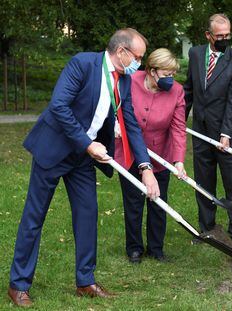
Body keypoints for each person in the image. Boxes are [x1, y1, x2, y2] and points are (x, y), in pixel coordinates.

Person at [7, 28, 160, 307]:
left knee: (88, 216)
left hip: (82, 160)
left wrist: (146, 167)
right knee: (34, 217)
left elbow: (131, 124)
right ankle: (18, 285)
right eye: (138, 57)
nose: (140, 63)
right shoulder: (82, 64)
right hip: (53, 150)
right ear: (122, 52)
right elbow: (59, 106)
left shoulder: (124, 80)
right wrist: (88, 145)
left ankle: (85, 281)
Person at [184, 13, 232, 251]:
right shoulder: (195, 54)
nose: (224, 39)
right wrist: (178, 123)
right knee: (203, 182)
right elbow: (189, 90)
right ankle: (207, 229)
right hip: (201, 130)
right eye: (219, 36)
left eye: (227, 35)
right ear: (208, 35)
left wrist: (226, 133)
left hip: (228, 132)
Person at [115, 48, 186, 263]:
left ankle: (156, 248)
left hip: (159, 154)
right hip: (129, 153)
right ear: (151, 71)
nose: (170, 79)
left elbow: (178, 128)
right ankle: (134, 248)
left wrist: (178, 160)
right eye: (166, 74)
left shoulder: (177, 92)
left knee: (158, 201)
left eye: (173, 74)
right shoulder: (129, 81)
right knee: (133, 202)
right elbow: (115, 107)